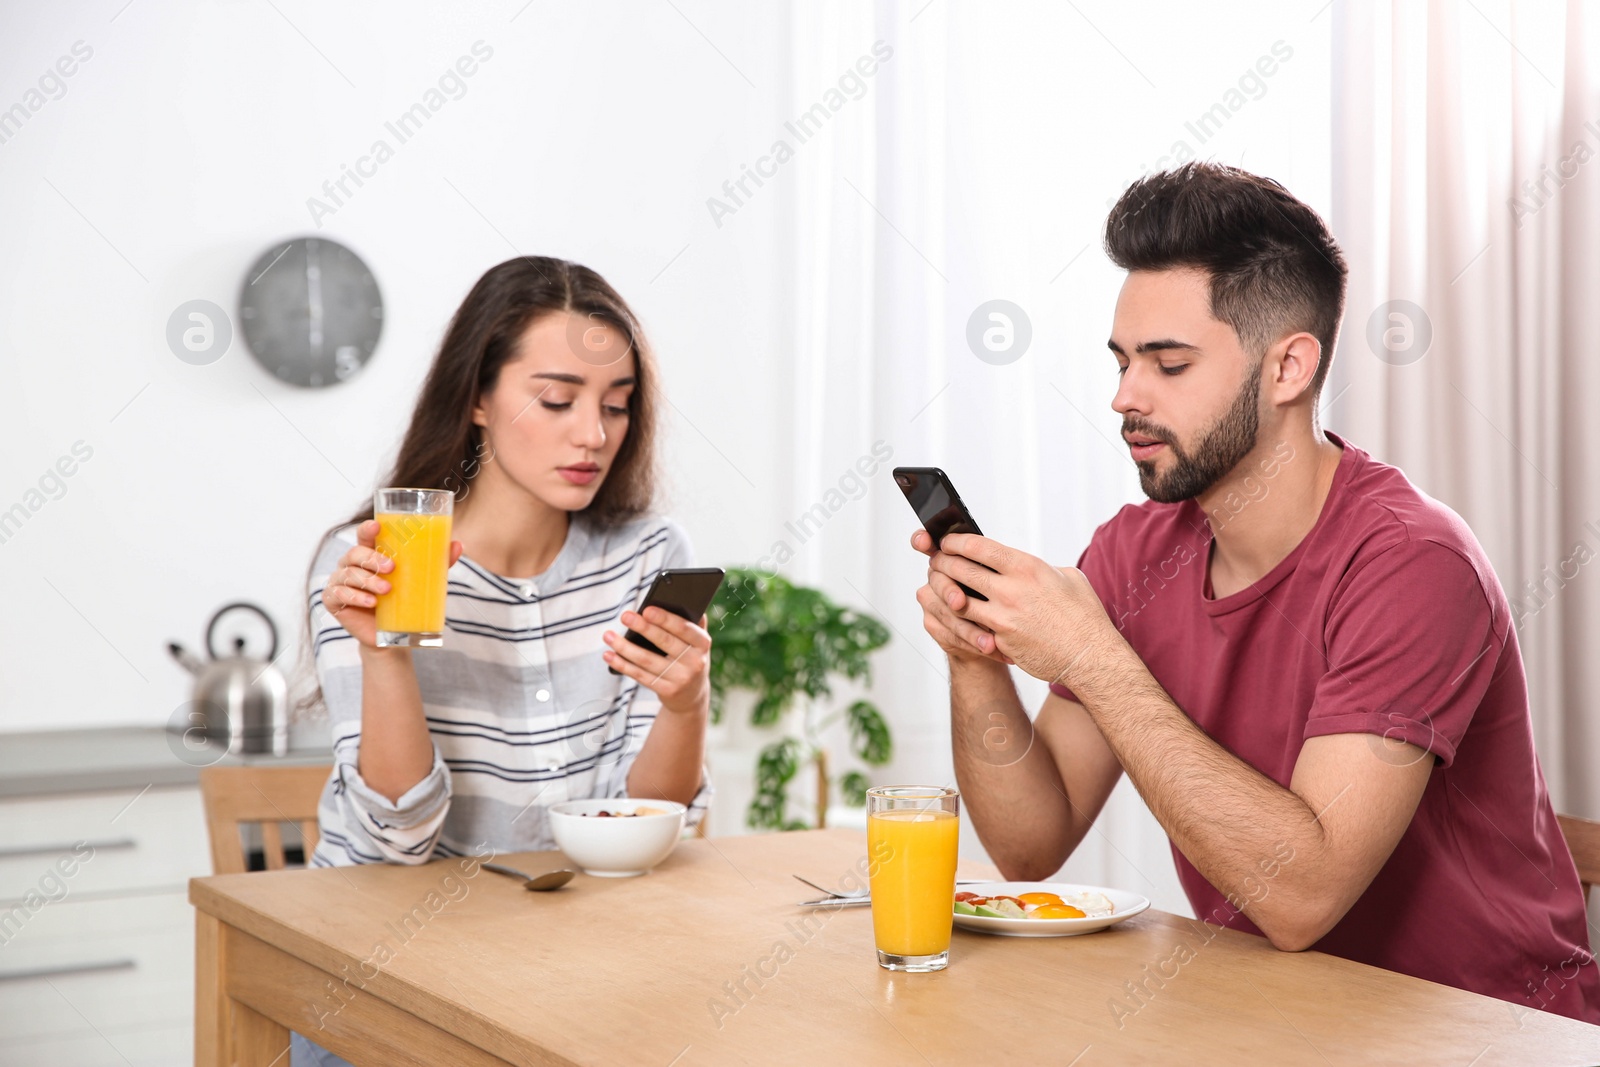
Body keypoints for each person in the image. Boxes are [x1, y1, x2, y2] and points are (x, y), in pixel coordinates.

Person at [912, 163, 1600, 1023]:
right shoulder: (1133, 554)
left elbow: (1303, 895)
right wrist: (974, 654)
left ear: (1288, 369)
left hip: (1490, 1028)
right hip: (1282, 1015)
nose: (1125, 397)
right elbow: (1028, 844)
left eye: (1169, 364)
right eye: (1124, 362)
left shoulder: (1413, 564)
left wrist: (1093, 654)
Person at [292, 257, 713, 1065]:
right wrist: (386, 658)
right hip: (378, 971)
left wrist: (685, 706)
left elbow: (643, 829)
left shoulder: (645, 554)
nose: (593, 433)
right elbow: (393, 846)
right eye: (556, 400)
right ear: (477, 397)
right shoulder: (378, 560)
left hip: (571, 968)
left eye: (616, 406)